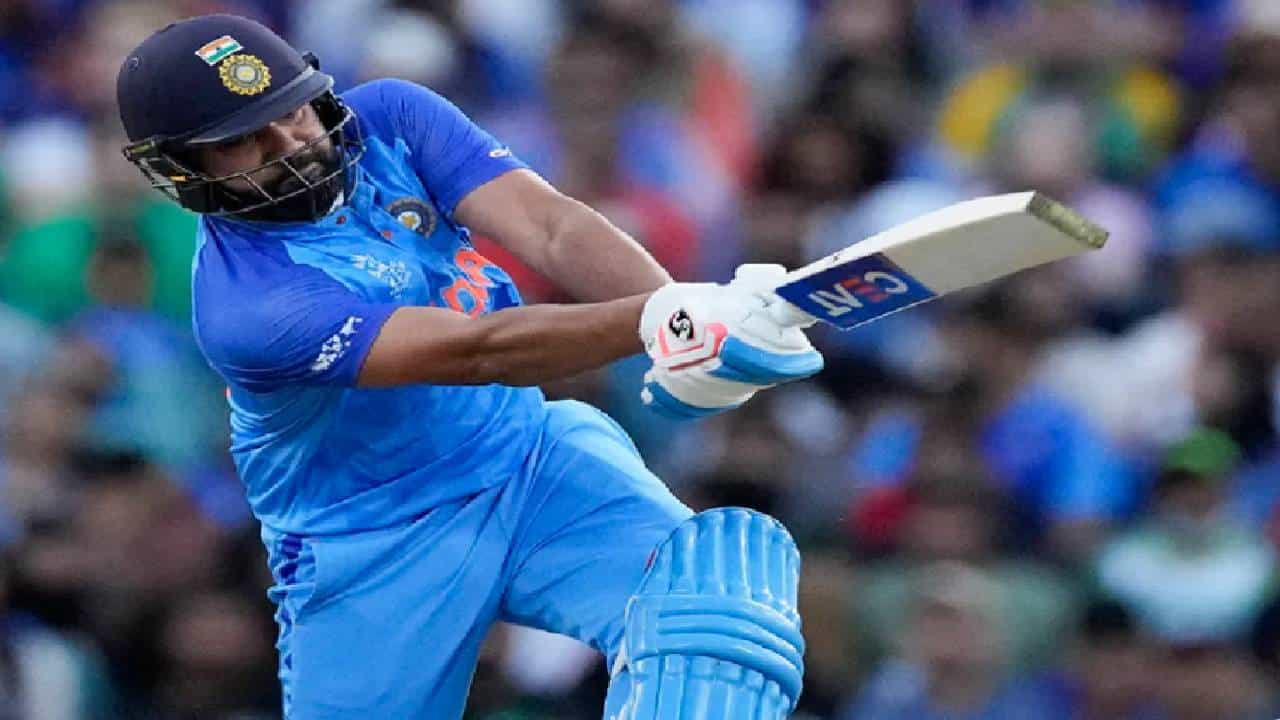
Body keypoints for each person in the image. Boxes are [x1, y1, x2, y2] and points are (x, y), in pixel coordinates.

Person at [114, 14, 822, 720]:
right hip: (373, 545)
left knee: (713, 608)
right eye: (242, 141)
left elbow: (551, 226)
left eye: (292, 112)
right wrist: (660, 320)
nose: (291, 143)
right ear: (182, 170)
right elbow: (478, 351)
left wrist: (686, 318)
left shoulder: (390, 118)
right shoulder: (248, 305)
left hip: (529, 461)